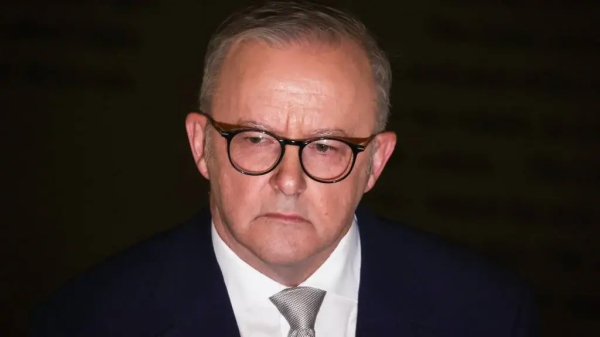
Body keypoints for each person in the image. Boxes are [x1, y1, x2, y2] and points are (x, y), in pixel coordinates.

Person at [30, 1, 539, 336]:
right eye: (254, 138)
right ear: (200, 145)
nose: (289, 181)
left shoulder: (489, 314)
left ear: (376, 162)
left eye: (325, 147)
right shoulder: (83, 322)